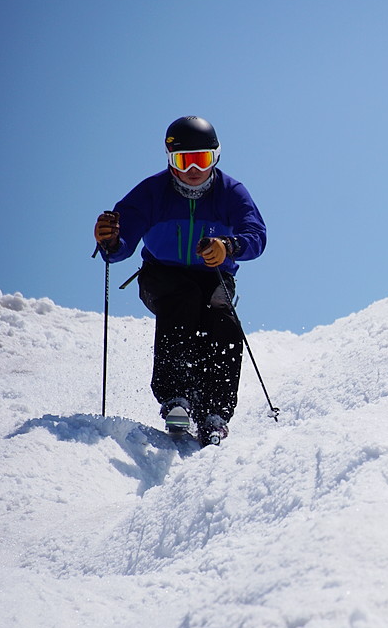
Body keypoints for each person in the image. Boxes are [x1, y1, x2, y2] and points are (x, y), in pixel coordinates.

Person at [94, 115, 267, 446]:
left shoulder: (230, 193)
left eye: (200, 160)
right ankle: (177, 397)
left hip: (214, 275)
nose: (192, 171)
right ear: (170, 159)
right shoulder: (152, 193)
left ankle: (214, 411)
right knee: (183, 298)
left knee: (222, 315)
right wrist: (111, 242)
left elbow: (256, 235)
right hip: (161, 274)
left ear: (215, 157)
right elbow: (119, 243)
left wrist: (229, 246)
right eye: (182, 161)